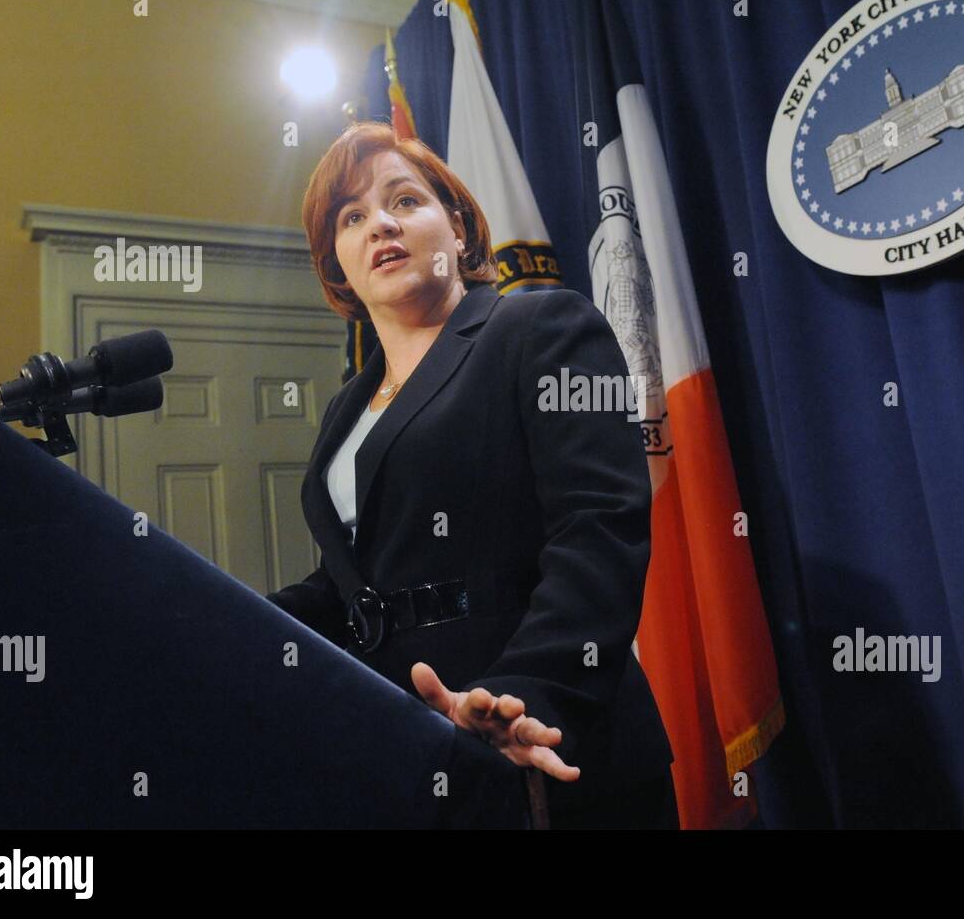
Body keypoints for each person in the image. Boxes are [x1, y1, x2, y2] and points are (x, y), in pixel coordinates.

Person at [265, 121, 677, 829]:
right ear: (336, 264)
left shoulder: (541, 327)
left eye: (405, 201)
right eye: (352, 217)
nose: (381, 225)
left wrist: (527, 693)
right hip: (410, 752)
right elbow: (353, 585)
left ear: (458, 229)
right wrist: (222, 616)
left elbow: (598, 528)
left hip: (544, 743)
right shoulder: (344, 409)